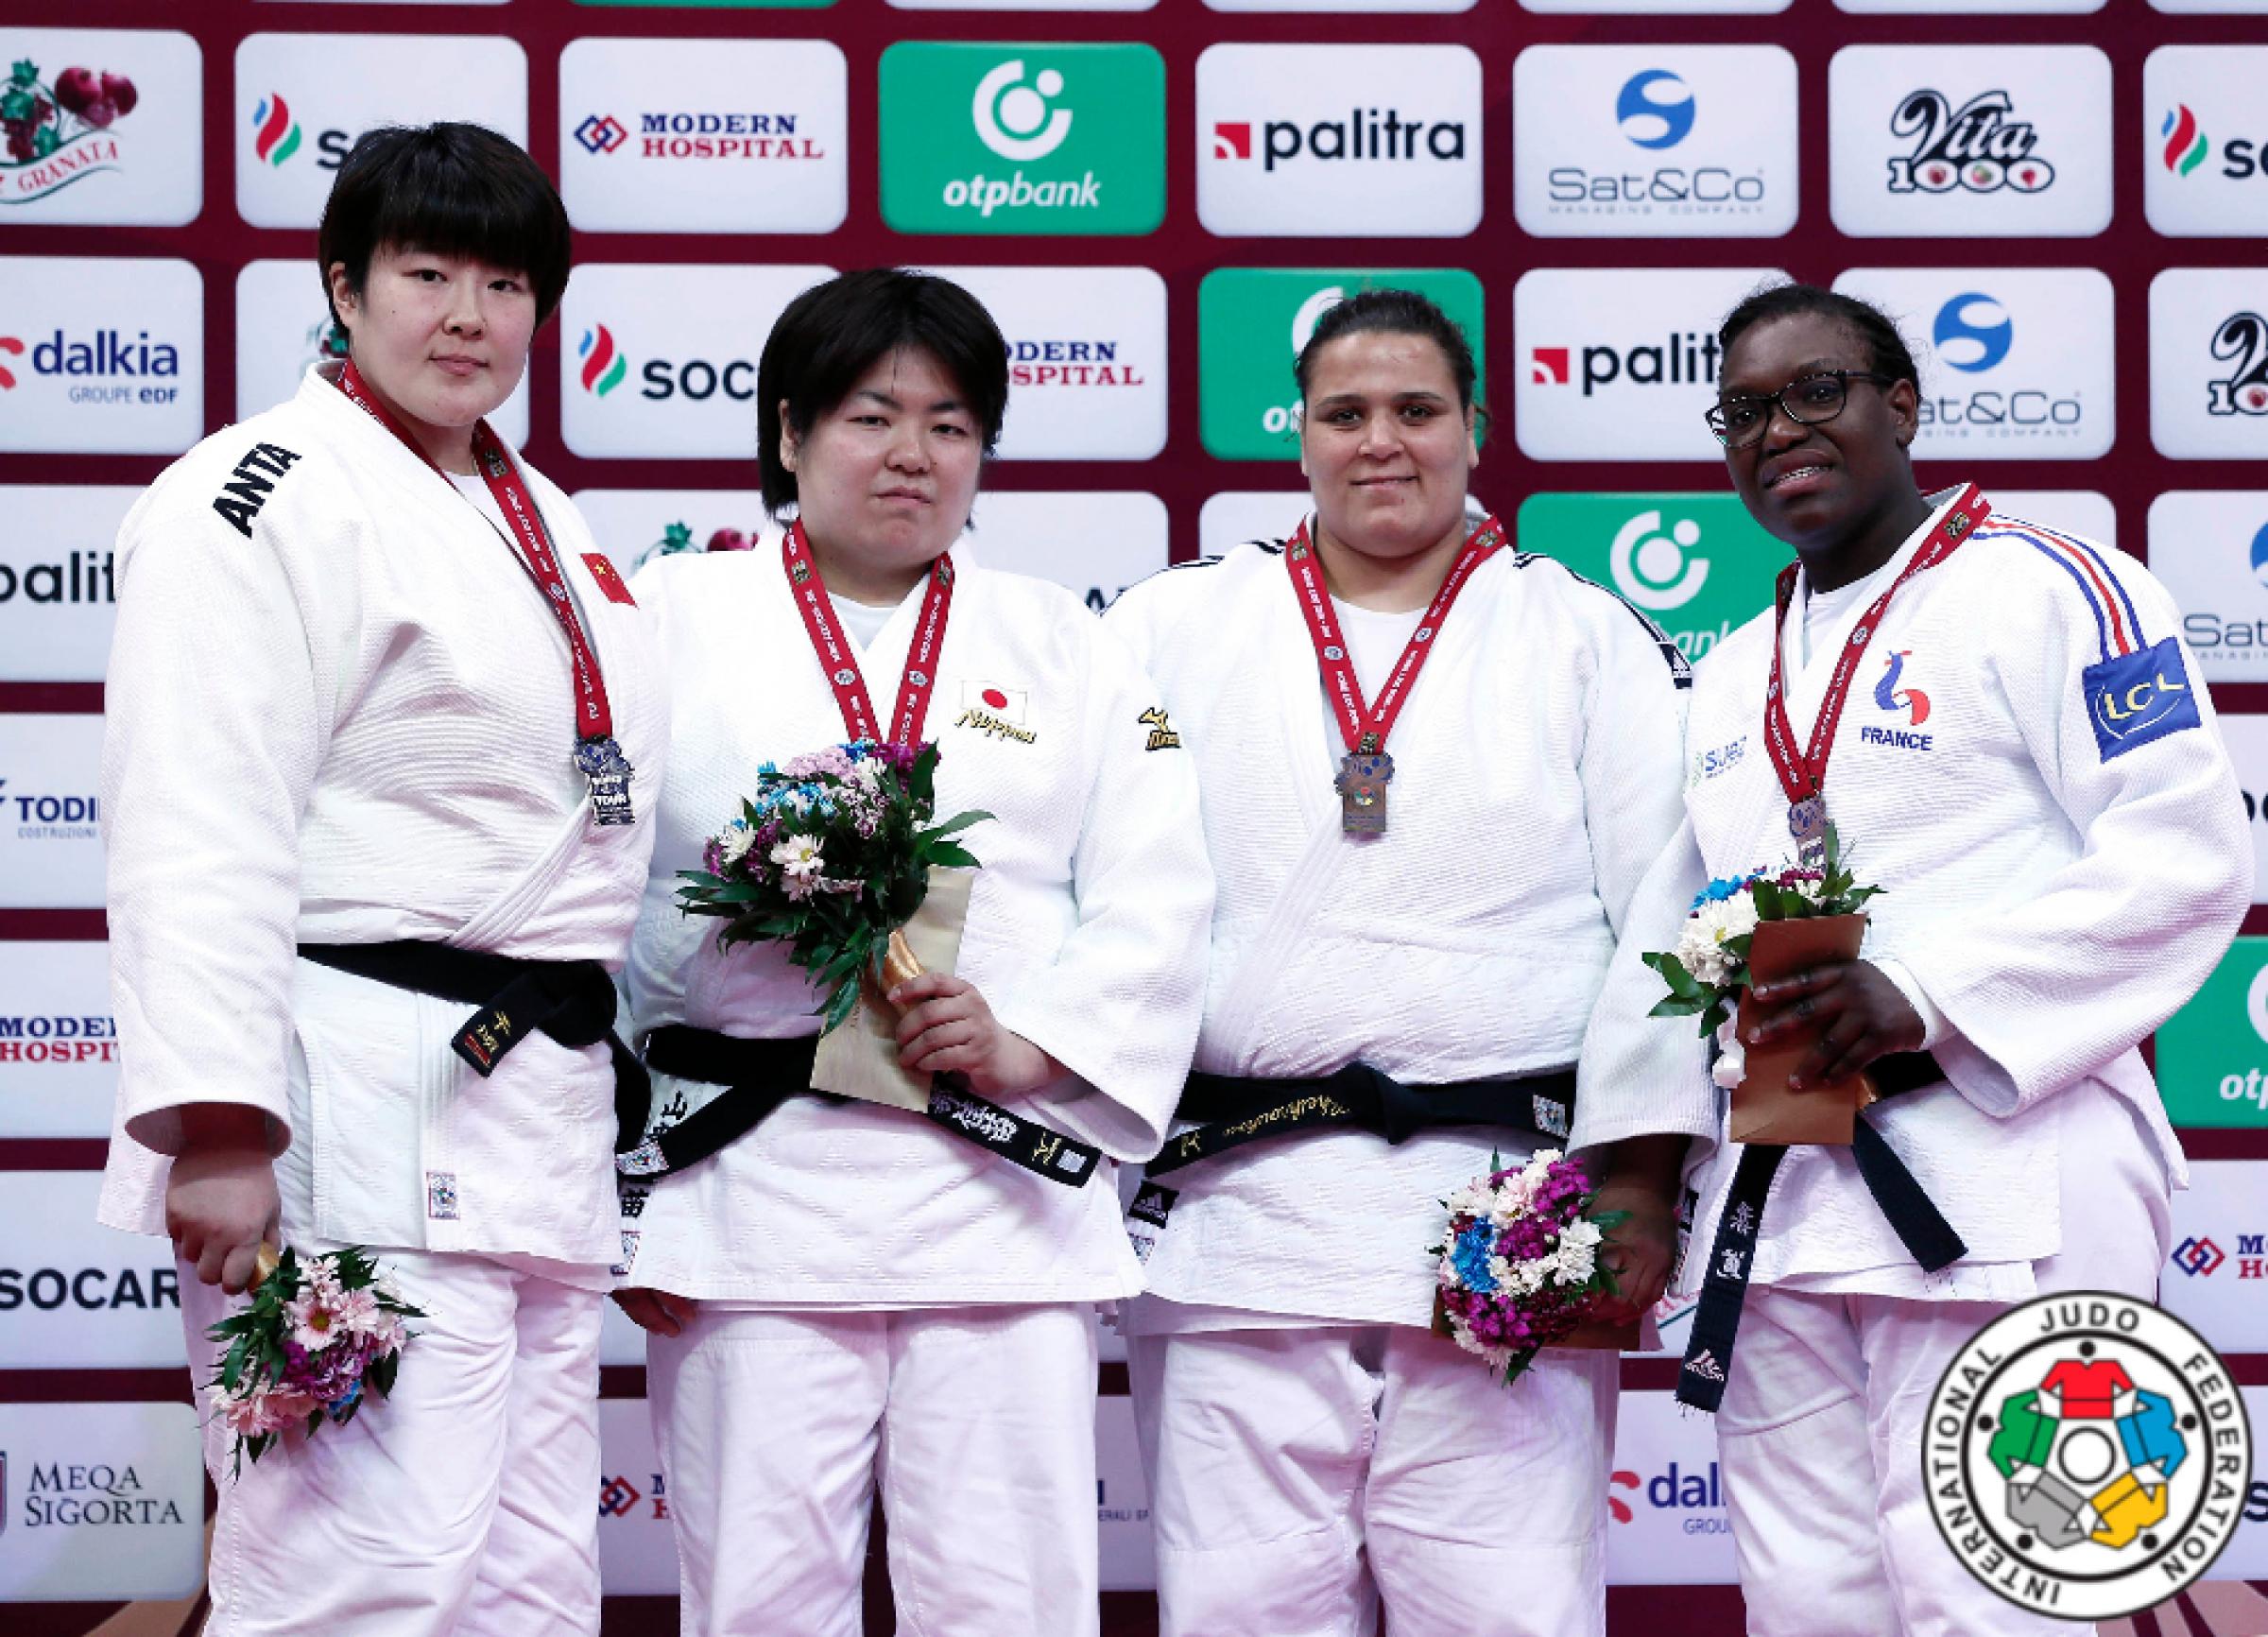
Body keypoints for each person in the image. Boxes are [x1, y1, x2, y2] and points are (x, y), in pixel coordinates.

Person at [1588, 280, 2250, 1636]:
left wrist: (1930, 995)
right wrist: (1644, 1170)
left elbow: (2185, 852)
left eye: (1816, 391)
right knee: (1807, 1601)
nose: (1779, 430)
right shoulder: (1732, 670)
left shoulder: (2052, 586)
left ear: (1902, 406)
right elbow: (1669, 932)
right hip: (1785, 1194)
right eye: (1744, 412)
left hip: (2011, 1167)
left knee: (2002, 1598)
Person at [94, 124, 664, 1634]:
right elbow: (196, 822)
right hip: (350, 1118)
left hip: (531, 1116)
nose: (470, 316)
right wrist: (220, 1122)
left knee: (533, 1586)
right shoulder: (256, 495)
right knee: (354, 1579)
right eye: (427, 275)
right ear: (343, 288)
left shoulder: (543, 516)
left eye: (507, 284)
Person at [610, 267, 1212, 1637]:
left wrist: (1033, 1042)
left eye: (950, 425)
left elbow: (1160, 893)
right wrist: (626, 1193)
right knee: (757, 1604)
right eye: (872, 416)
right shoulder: (668, 619)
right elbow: (596, 898)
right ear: (789, 433)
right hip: (742, 1194)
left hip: (996, 1200)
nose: (913, 455)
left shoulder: (1066, 642)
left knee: (1013, 1606)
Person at [1104, 286, 1696, 1637]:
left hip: (1508, 1220)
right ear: (1298, 433)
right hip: (1239, 1221)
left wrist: (1640, 1180)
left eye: (1416, 410)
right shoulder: (1169, 626)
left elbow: (1662, 931)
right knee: (1238, 1616)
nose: (1382, 440)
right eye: (1346, 413)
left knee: (1512, 1615)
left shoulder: (1582, 634)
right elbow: (1102, 891)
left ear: (1474, 428)